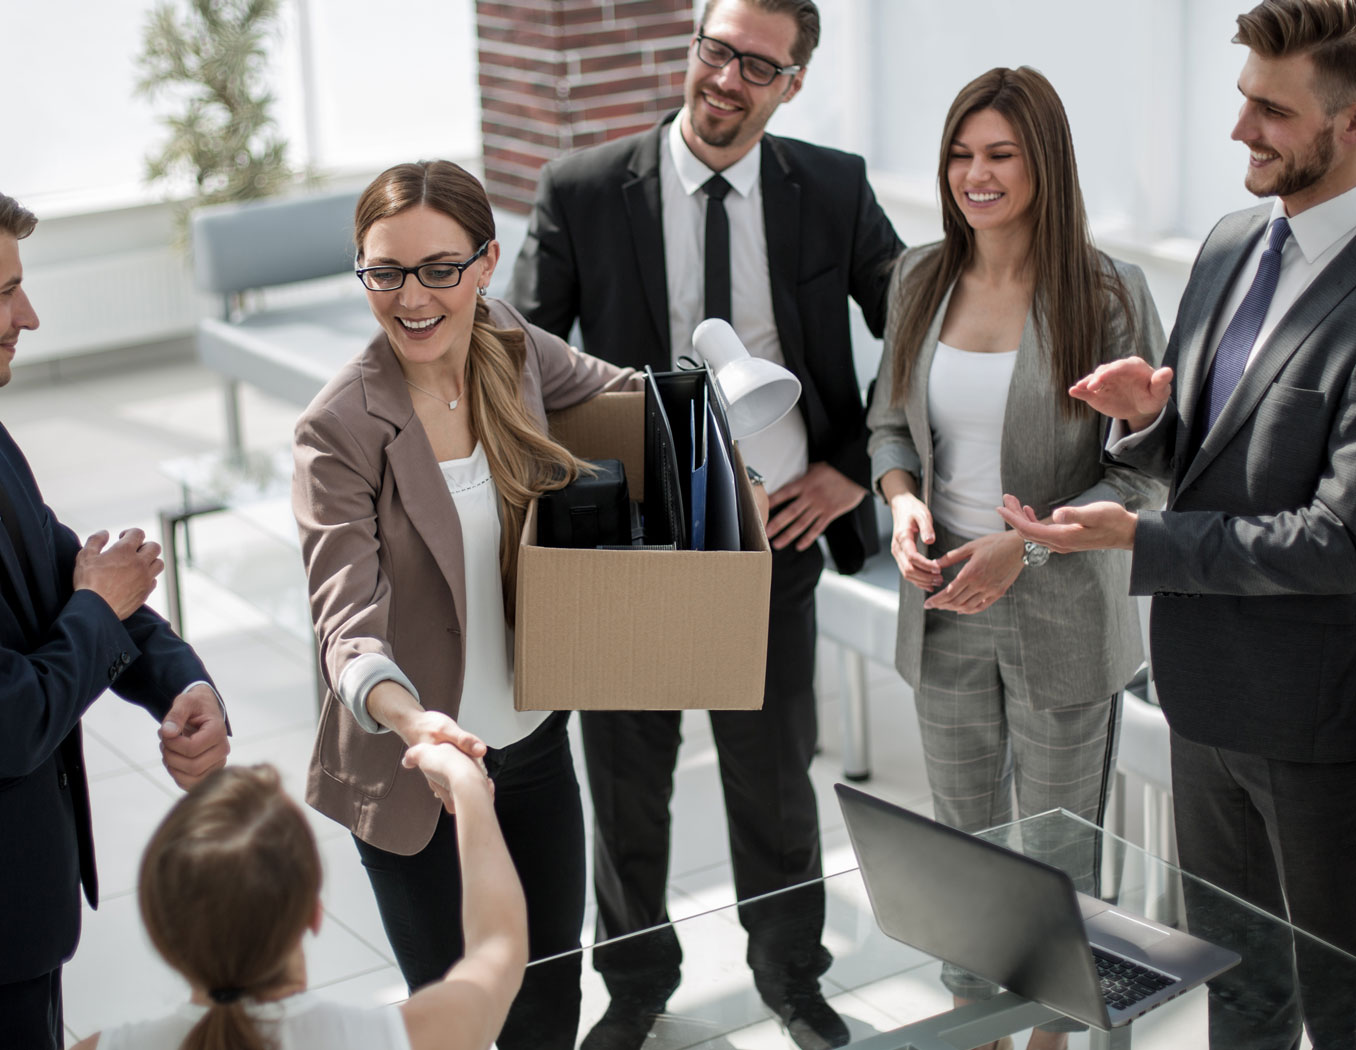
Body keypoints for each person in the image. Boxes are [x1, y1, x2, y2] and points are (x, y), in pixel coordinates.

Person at [508, 2, 903, 1047]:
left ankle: (791, 980)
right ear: (693, 49)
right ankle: (636, 989)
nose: (727, 78)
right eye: (715, 50)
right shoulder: (583, 189)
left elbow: (920, 327)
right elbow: (516, 364)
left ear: (793, 80)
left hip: (774, 533)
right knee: (628, 789)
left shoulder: (833, 188)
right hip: (628, 540)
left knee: (774, 782)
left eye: (757, 64)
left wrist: (850, 472)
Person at [999, 2, 1356, 1046]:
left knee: (1338, 1009)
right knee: (1238, 993)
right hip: (1203, 698)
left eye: (1273, 112)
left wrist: (1136, 543)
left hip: (1323, 728)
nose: (1241, 131)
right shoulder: (1234, 242)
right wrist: (1151, 419)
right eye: (1242, 100)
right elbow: (1207, 462)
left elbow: (1341, 541)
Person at [0, 174, 231, 1050]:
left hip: (12, 904)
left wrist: (183, 682)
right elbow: (9, 718)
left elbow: (72, 580)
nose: (29, 318)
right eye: (7, 291)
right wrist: (100, 604)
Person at [291, 159, 636, 1050]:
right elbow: (346, 622)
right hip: (418, 777)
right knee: (460, 1021)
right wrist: (416, 728)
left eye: (440, 269)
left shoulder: (510, 345)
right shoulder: (340, 427)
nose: (413, 297)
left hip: (532, 744)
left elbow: (624, 399)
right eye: (386, 272)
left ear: (485, 264)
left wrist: (727, 456)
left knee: (549, 1001)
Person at [866, 67, 1165, 1050]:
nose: (976, 175)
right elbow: (887, 430)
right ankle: (975, 1030)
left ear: (1046, 162)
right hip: (945, 607)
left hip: (1064, 615)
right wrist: (905, 506)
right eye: (961, 153)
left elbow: (1145, 477)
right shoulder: (919, 277)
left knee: (1056, 859)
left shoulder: (1110, 289)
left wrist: (1021, 550)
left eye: (1001, 154)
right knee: (961, 853)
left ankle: (1050, 1036)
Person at [70, 753, 526, 1050]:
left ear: (160, 928)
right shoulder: (402, 1039)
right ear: (313, 913)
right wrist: (467, 786)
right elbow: (499, 943)